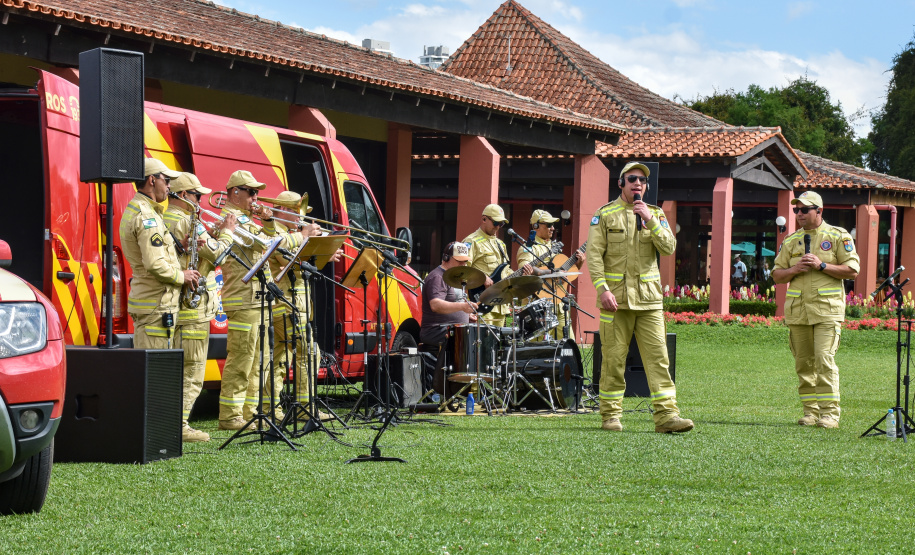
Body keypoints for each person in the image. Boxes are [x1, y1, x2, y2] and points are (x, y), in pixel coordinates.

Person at [586, 161, 693, 433]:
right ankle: (610, 416)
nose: (638, 184)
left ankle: (667, 417)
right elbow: (595, 256)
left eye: (643, 181)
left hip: (649, 301)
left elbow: (668, 247)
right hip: (615, 301)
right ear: (620, 183)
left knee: (658, 359)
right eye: (632, 178)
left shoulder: (654, 214)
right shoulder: (605, 215)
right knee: (613, 358)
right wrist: (603, 290)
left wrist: (649, 220)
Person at [772, 191, 859, 429]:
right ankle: (810, 412)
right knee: (803, 363)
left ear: (819, 211)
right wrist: (794, 270)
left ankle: (830, 414)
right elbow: (777, 275)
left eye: (804, 210)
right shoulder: (790, 240)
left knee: (824, 360)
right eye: (796, 210)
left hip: (827, 311)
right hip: (798, 310)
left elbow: (852, 269)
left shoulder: (838, 236)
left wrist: (822, 265)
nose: (799, 214)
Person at [162, 172, 237, 443]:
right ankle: (179, 424)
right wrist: (227, 231)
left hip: (177, 305)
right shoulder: (185, 221)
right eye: (197, 195)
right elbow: (218, 253)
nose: (201, 200)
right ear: (183, 196)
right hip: (192, 307)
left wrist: (213, 234)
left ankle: (171, 421)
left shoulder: (170, 218)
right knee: (193, 369)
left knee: (177, 368)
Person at [265, 191, 340, 421]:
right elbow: (290, 263)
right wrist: (305, 238)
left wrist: (324, 253)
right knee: (309, 351)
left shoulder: (287, 234)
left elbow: (301, 263)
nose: (300, 219)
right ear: (285, 211)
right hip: (285, 305)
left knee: (279, 359)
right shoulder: (277, 234)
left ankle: (270, 408)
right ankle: (305, 407)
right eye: (297, 213)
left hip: (291, 305)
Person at [216, 170, 279, 431]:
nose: (256, 197)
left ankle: (250, 412)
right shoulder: (229, 218)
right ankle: (230, 416)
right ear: (235, 192)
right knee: (242, 359)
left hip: (258, 298)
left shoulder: (245, 218)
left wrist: (269, 221)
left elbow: (268, 242)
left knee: (259, 361)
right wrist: (265, 225)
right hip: (242, 299)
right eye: (251, 192)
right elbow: (260, 243)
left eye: (257, 193)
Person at [119, 158, 199, 352]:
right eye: (167, 180)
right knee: (155, 376)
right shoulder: (148, 216)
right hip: (156, 306)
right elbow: (155, 264)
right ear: (152, 180)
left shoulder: (141, 209)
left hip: (152, 305)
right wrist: (183, 276)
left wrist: (180, 245)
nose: (170, 186)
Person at [419, 242, 479, 393]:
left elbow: (454, 303)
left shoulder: (455, 277)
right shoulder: (437, 277)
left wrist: (467, 315)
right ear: (446, 257)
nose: (463, 264)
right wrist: (462, 308)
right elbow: (436, 305)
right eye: (459, 261)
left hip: (452, 328)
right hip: (436, 330)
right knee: (473, 339)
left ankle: (465, 390)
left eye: (465, 261)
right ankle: (457, 389)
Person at [519, 209, 585, 339]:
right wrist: (553, 272)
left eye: (553, 225)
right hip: (537, 305)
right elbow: (525, 269)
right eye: (548, 225)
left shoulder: (554, 248)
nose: (553, 228)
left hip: (559, 302)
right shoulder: (529, 247)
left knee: (568, 343)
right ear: (536, 226)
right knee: (540, 348)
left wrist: (579, 264)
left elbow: (566, 274)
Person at [463, 204, 511, 327]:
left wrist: (522, 274)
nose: (498, 227)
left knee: (499, 344)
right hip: (482, 303)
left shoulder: (501, 244)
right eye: (496, 223)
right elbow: (462, 271)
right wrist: (482, 277)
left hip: (501, 303)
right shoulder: (471, 241)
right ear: (484, 219)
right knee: (484, 343)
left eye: (501, 224)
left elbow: (505, 271)